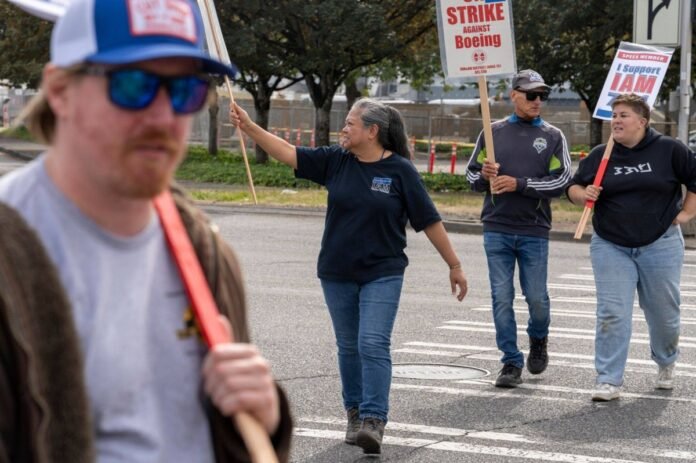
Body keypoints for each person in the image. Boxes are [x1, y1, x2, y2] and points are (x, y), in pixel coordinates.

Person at [0, 0, 292, 461]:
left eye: (184, 91)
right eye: (133, 85)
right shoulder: (10, 257)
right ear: (60, 90)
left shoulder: (204, 250)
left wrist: (266, 419)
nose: (162, 117)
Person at [230, 97, 468, 455]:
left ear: (372, 132)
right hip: (337, 272)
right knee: (349, 346)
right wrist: (248, 126)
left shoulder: (401, 171)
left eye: (351, 124)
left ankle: (374, 419)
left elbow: (429, 221)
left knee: (372, 342)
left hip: (383, 273)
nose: (344, 128)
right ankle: (354, 412)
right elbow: (287, 152)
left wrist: (454, 265)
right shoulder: (335, 160)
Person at [566, 93, 696, 401]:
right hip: (611, 243)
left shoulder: (669, 150)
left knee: (664, 314)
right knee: (612, 312)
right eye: (614, 116)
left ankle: (666, 361)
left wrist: (688, 213)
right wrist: (585, 195)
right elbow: (571, 187)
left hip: (660, 244)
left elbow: (694, 179)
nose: (616, 121)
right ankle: (608, 379)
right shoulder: (602, 154)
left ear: (642, 121)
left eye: (623, 115)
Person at [465, 69, 571, 388]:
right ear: (514, 95)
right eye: (531, 95)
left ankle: (538, 338)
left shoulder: (553, 136)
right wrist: (485, 176)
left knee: (536, 297)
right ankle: (510, 361)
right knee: (501, 296)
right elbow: (471, 178)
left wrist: (520, 184)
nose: (538, 101)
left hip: (534, 228)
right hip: (496, 227)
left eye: (542, 95)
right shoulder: (491, 132)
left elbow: (563, 180)